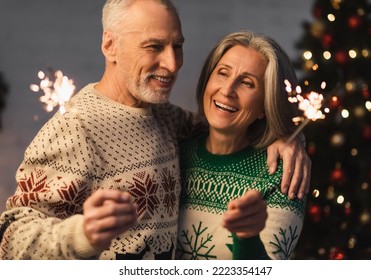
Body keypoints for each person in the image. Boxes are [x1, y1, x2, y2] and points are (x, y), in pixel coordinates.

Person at [0, 0, 309, 260]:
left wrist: (287, 138)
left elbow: (228, 125)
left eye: (177, 46)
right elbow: (11, 240)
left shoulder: (166, 118)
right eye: (154, 47)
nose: (173, 64)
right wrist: (81, 234)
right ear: (110, 45)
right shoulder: (75, 129)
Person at [176, 31, 306, 260]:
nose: (227, 90)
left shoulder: (281, 172)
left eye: (247, 83)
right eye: (222, 73)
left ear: (266, 105)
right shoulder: (175, 153)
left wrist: (247, 237)